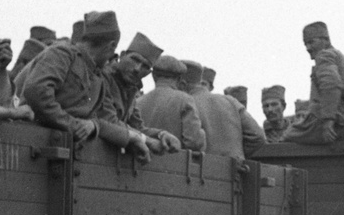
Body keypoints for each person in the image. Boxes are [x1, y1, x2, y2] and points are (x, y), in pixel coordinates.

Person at [18, 10, 147, 157]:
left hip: (64, 150)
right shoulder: (62, 54)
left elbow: (102, 118)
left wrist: (94, 126)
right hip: (29, 146)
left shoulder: (98, 76)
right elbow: (37, 92)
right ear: (111, 46)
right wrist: (71, 124)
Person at [286, 21, 344, 144]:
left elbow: (331, 85)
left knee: (286, 136)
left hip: (336, 125)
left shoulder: (324, 56)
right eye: (305, 44)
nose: (308, 48)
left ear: (326, 40)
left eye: (311, 42)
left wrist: (328, 120)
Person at [101, 32, 180, 158]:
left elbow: (137, 127)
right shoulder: (103, 79)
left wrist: (162, 135)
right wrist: (147, 140)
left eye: (145, 66)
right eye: (135, 59)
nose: (137, 68)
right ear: (122, 55)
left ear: (149, 73)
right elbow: (109, 120)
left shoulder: (131, 88)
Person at [184, 59, 265, 159]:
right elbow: (258, 136)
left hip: (199, 169)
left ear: (182, 83)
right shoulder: (231, 101)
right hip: (235, 170)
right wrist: (236, 155)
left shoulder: (186, 104)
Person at [137, 55, 207, 152]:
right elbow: (193, 142)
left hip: (141, 161)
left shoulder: (138, 101)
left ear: (153, 76)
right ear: (179, 79)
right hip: (176, 163)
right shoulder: (184, 100)